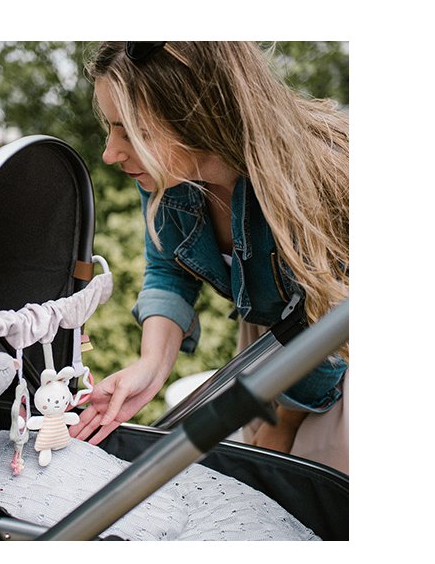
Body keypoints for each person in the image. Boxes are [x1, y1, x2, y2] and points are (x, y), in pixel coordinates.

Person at [68, 41, 349, 472]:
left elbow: (334, 317)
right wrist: (151, 366)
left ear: (196, 115)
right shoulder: (167, 176)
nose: (110, 153)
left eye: (131, 131)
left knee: (316, 484)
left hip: (339, 347)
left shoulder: (323, 179)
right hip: (273, 339)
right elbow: (169, 269)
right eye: (110, 127)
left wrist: (283, 421)